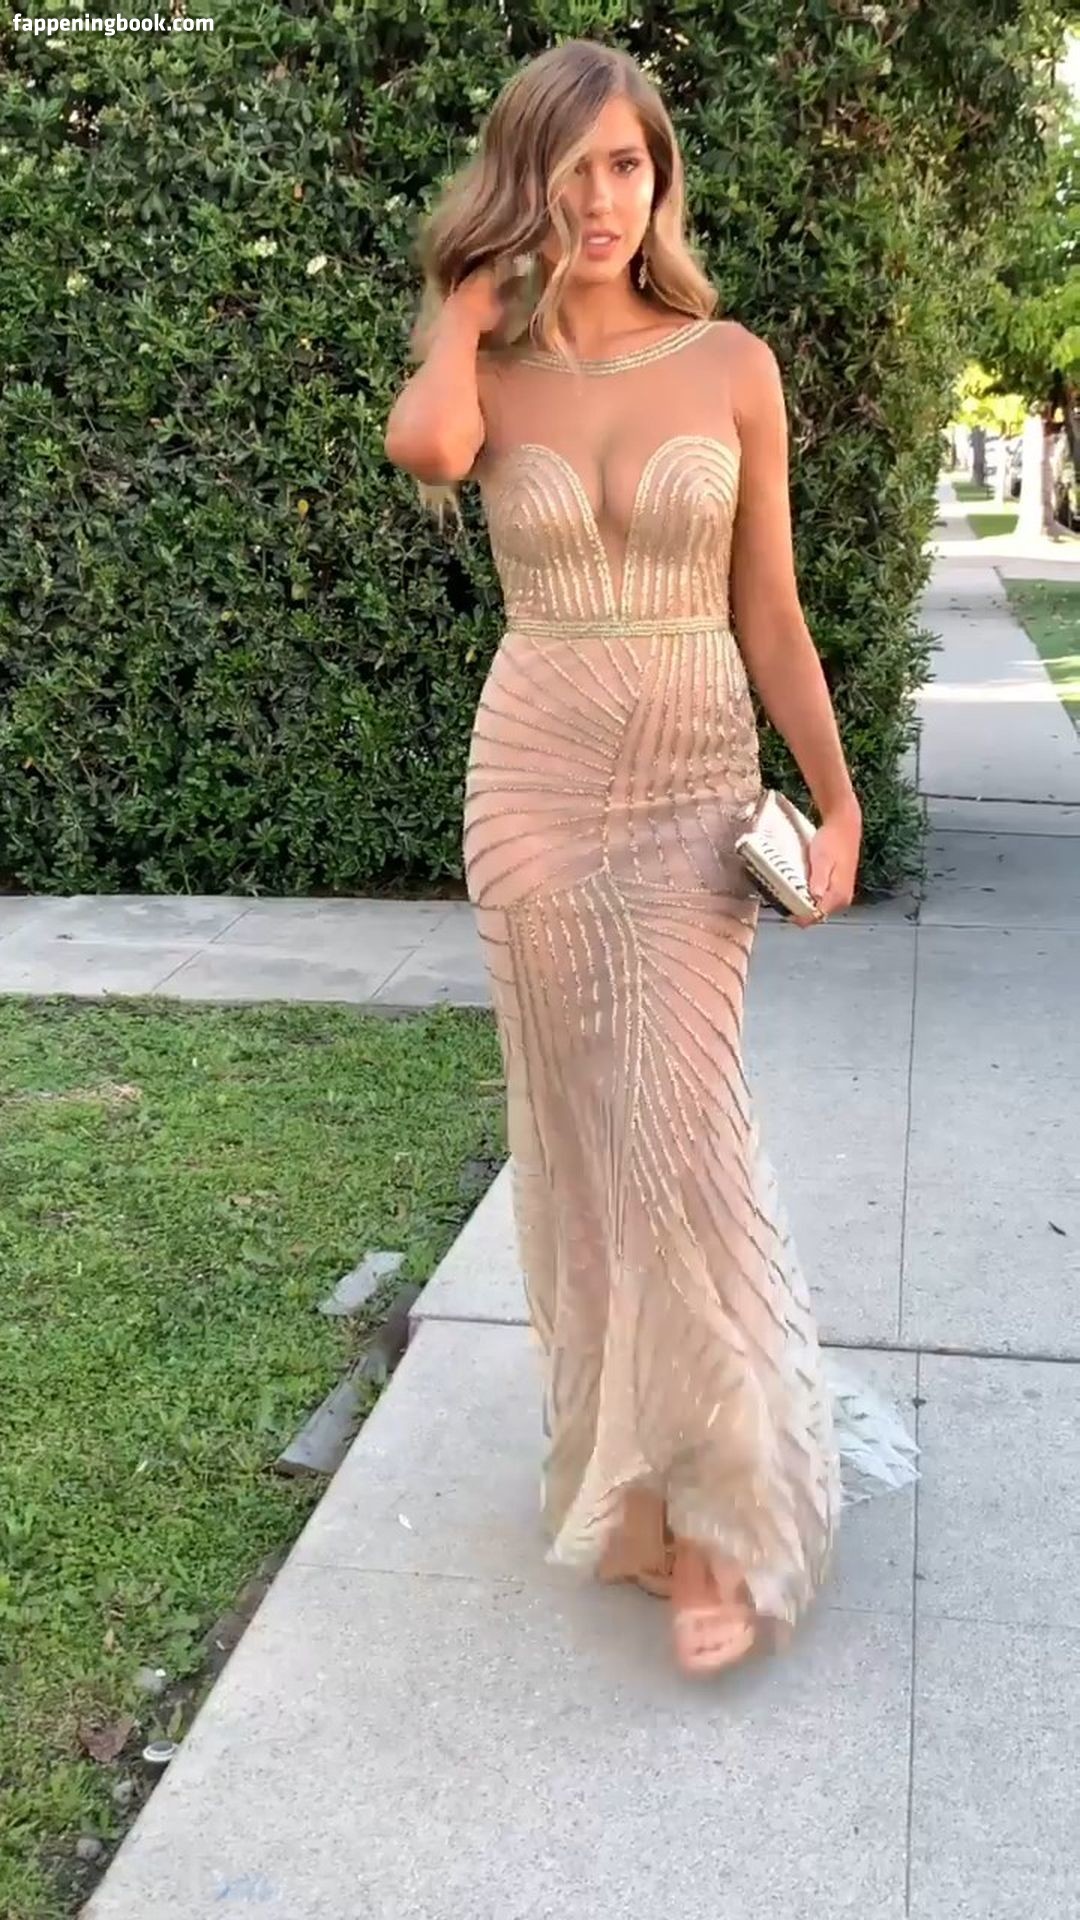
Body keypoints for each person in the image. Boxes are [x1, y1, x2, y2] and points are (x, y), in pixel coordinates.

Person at [385, 37, 918, 1677]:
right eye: (569, 170)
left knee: (683, 1135)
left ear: (661, 175)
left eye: (627, 163)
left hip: (693, 787)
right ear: (524, 186)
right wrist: (463, 305)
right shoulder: (497, 371)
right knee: (582, 1147)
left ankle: (727, 1509)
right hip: (533, 789)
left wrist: (837, 802)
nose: (602, 197)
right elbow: (426, 448)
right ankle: (647, 1496)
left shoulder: (731, 361)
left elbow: (772, 609)